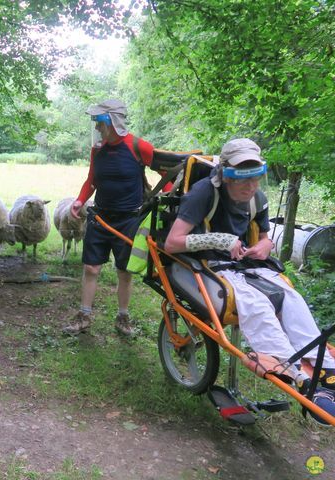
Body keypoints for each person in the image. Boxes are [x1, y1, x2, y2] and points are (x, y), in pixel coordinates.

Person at [164, 137, 335, 422]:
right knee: (256, 304)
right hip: (207, 265)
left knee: (291, 298)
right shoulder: (203, 193)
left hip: (244, 265)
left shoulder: (257, 198)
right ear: (224, 175)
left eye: (256, 177)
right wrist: (219, 238)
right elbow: (172, 242)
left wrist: (265, 245)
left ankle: (325, 367)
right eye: (242, 178)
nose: (250, 186)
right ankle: (291, 371)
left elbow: (265, 237)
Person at [62, 99, 154, 337]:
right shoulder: (97, 150)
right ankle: (84, 315)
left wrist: (167, 198)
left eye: (99, 123)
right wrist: (80, 200)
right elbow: (92, 180)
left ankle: (123, 317)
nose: (96, 129)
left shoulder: (138, 147)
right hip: (100, 218)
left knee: (124, 271)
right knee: (91, 268)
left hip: (128, 220)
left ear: (112, 122)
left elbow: (167, 173)